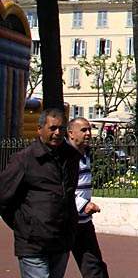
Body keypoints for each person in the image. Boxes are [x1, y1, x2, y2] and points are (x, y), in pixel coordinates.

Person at [0, 108, 80, 278]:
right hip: (33, 243)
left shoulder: (71, 157)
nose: (58, 133)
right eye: (52, 128)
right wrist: (24, 225)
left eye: (62, 128)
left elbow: (69, 193)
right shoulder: (24, 159)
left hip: (61, 240)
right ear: (39, 129)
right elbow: (3, 197)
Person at [67, 118, 109, 278]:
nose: (88, 134)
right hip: (65, 222)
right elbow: (61, 187)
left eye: (89, 130)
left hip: (83, 222)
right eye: (83, 130)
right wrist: (83, 204)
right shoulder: (64, 157)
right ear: (71, 133)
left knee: (94, 267)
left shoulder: (85, 154)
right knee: (52, 267)